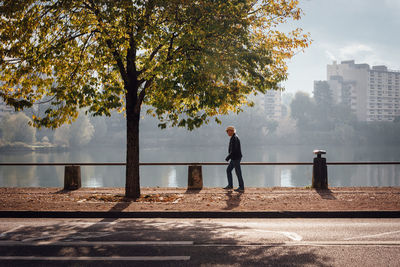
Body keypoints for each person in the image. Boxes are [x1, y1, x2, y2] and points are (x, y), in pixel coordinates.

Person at [224, 126, 244, 192]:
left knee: (238, 172)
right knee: (228, 170)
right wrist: (230, 157)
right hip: (234, 158)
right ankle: (230, 185)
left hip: (236, 158)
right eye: (227, 131)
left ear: (232, 131)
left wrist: (228, 157)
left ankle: (241, 187)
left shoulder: (235, 138)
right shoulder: (233, 137)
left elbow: (234, 150)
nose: (227, 133)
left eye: (228, 131)